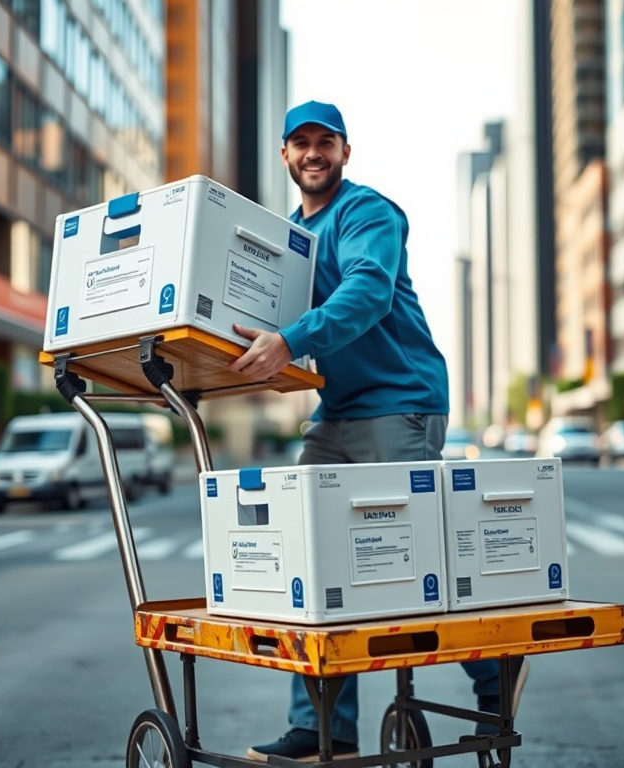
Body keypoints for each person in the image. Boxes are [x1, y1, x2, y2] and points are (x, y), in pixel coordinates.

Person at [227, 99, 529, 762]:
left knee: (412, 561)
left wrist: (291, 340)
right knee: (306, 558)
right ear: (285, 155)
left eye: (325, 142)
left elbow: (367, 292)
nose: (313, 153)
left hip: (400, 404)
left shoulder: (368, 213)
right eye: (300, 143)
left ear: (344, 151)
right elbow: (254, 315)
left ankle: (491, 676)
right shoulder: (289, 240)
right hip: (337, 414)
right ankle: (321, 727)